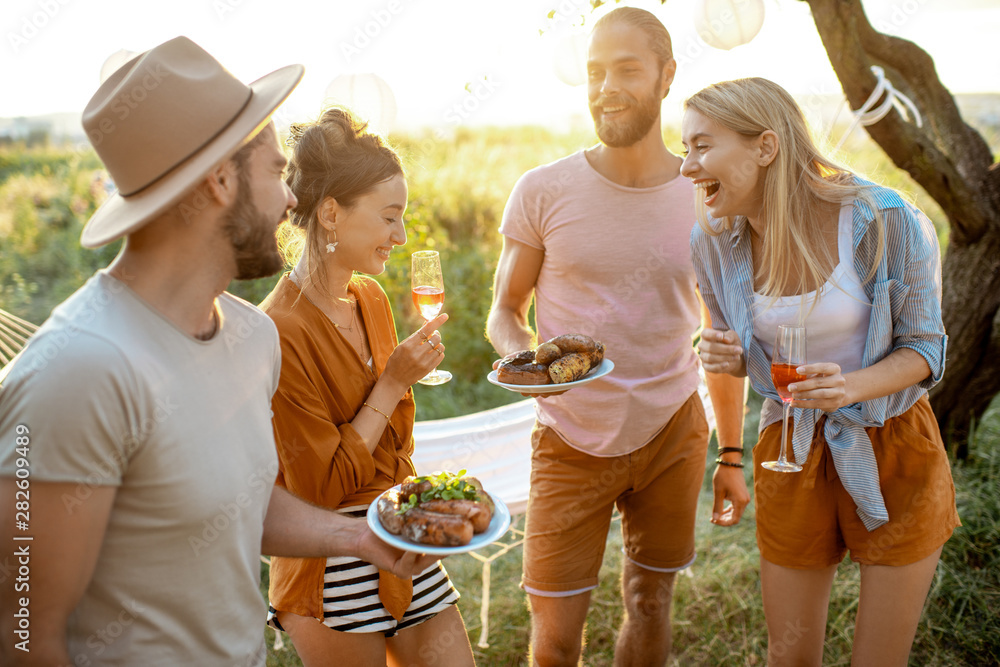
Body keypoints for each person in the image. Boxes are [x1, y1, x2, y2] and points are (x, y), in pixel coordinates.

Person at [0, 38, 437, 667]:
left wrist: (360, 536)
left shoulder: (251, 339)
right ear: (220, 180)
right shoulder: (75, 373)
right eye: (274, 173)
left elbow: (241, 501)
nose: (293, 201)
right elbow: (22, 631)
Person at [485, 7, 749, 666]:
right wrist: (526, 365)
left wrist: (733, 453)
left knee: (651, 600)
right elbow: (504, 310)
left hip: (671, 432)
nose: (606, 86)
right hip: (569, 437)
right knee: (554, 638)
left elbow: (721, 335)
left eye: (626, 69)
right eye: (595, 72)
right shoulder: (543, 190)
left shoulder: (706, 196)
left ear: (666, 77)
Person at [682, 76, 960, 665]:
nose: (687, 167)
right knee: (791, 659)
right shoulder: (712, 241)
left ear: (765, 146)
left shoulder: (884, 220)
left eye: (701, 146)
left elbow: (926, 350)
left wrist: (849, 387)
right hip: (789, 445)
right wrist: (728, 425)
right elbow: (729, 349)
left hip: (894, 445)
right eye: (685, 148)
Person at [258, 107, 474, 666]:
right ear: (331, 214)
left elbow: (393, 441)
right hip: (330, 565)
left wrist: (431, 505)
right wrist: (393, 382)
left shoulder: (371, 299)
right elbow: (321, 488)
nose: (400, 237)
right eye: (389, 218)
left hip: (402, 531)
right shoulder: (278, 331)